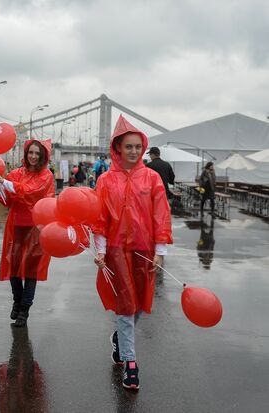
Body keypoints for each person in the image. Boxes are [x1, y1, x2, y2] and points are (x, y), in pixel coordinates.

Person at [92, 115, 172, 390]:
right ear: (118, 148)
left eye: (138, 146)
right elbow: (99, 217)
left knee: (139, 304)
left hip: (144, 249)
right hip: (116, 251)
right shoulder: (105, 180)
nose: (134, 151)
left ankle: (119, 338)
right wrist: (101, 250)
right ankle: (131, 364)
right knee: (126, 306)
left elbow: (161, 214)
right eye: (129, 146)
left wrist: (160, 249)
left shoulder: (152, 178)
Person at [0, 140, 55, 328]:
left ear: (43, 156)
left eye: (37, 153)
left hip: (36, 227)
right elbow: (7, 200)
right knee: (14, 267)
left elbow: (31, 192)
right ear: (26, 153)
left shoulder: (46, 176)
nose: (33, 156)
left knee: (31, 271)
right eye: (31, 152)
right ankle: (17, 301)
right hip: (17, 225)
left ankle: (24, 310)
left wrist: (7, 184)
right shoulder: (15, 174)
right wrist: (0, 185)